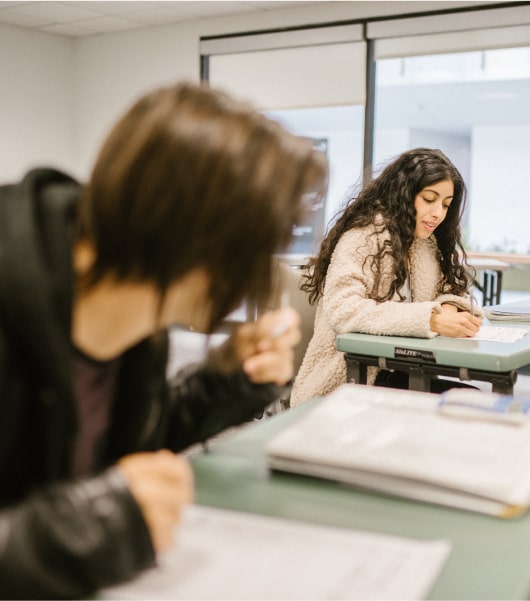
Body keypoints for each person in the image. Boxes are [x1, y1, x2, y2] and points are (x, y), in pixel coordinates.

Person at [0, 82, 327, 598]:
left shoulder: (136, 320)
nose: (250, 280)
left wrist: (228, 382)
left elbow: (129, 439)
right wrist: (79, 534)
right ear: (198, 241)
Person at [290, 147, 483, 407]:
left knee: (472, 403)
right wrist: (432, 320)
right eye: (429, 198)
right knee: (469, 404)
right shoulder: (363, 236)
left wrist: (449, 307)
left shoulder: (425, 244)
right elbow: (344, 309)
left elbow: (456, 291)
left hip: (403, 371)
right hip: (350, 379)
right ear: (405, 193)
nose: (438, 212)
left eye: (446, 204)